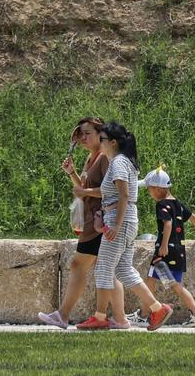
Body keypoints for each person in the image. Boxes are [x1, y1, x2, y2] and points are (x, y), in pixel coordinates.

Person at [75, 121, 173, 331]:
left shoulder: (118, 163)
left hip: (119, 221)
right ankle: (157, 309)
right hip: (127, 220)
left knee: (103, 269)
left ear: (112, 142)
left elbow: (124, 195)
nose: (98, 143)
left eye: (101, 139)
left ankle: (100, 317)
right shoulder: (125, 161)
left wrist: (115, 225)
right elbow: (115, 193)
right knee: (123, 269)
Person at [38, 117, 127, 329]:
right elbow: (84, 188)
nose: (83, 138)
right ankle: (122, 319)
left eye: (87, 133)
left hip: (100, 222)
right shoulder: (91, 159)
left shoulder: (105, 159)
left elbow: (112, 190)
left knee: (79, 264)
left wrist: (85, 191)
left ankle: (63, 315)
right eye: (81, 134)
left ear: (100, 134)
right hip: (92, 221)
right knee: (106, 269)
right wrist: (72, 174)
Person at [127, 166, 195, 328]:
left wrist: (164, 246)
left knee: (150, 280)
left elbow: (167, 223)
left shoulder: (162, 204)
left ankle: (144, 315)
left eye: (150, 189)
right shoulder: (177, 204)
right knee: (175, 285)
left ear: (158, 189)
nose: (149, 193)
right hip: (178, 252)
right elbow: (193, 217)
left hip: (164, 254)